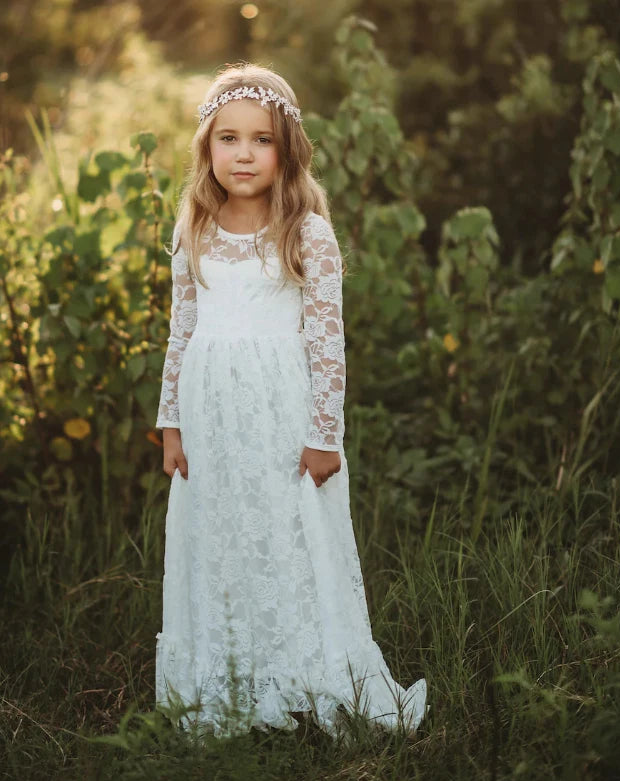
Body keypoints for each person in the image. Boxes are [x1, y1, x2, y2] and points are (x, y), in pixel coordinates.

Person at [154, 63, 427, 739]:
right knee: (223, 539)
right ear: (207, 148)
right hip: (211, 412)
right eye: (228, 139)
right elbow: (180, 331)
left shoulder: (307, 233)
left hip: (283, 413)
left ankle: (306, 676)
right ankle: (227, 685)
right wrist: (171, 423)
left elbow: (328, 342)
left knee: (288, 538)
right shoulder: (193, 227)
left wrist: (322, 433)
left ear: (286, 150)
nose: (243, 154)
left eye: (261, 140)